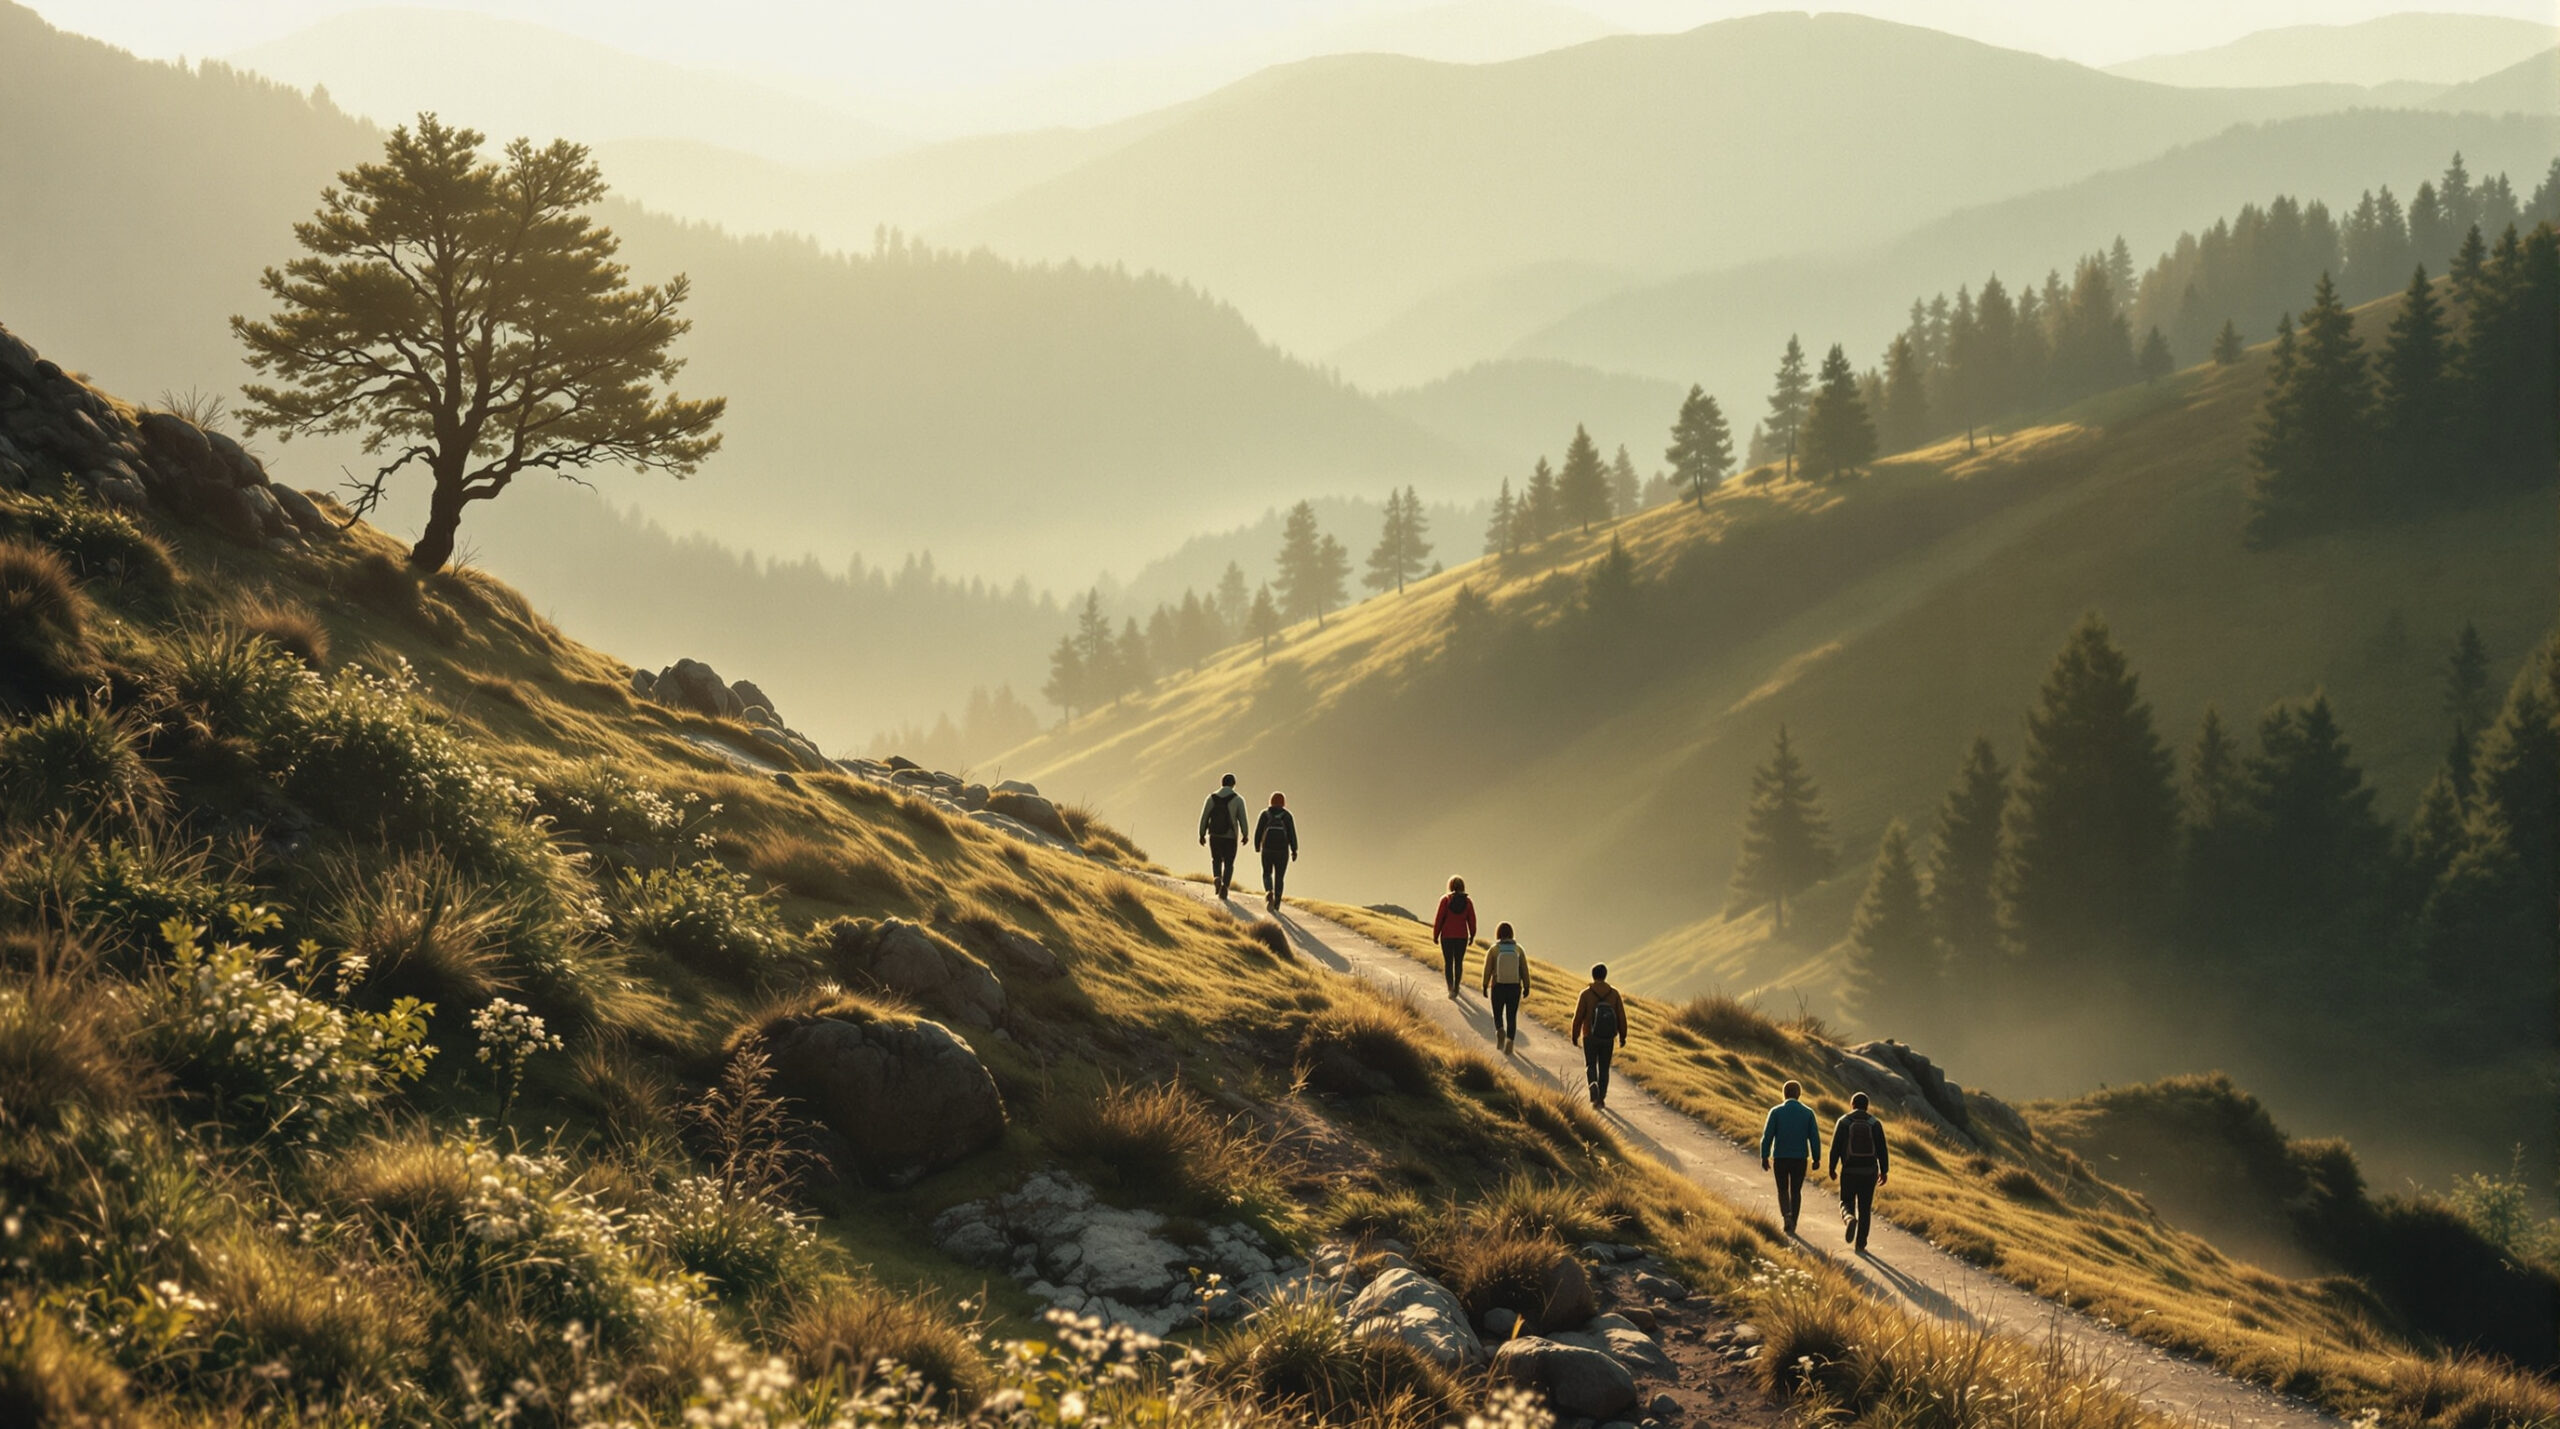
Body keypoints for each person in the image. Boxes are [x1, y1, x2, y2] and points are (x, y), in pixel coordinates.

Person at [1758, 1080, 1822, 1235]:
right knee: (1796, 1191)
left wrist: (1764, 1156)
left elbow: (1767, 1136)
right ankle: (1793, 1222)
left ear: (1784, 1093)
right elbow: (1814, 1138)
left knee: (1782, 1189)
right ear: (1799, 1094)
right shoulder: (1808, 1113)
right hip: (1800, 1159)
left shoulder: (1776, 1111)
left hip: (1780, 1157)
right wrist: (1816, 1158)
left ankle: (1786, 1215)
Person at [1829, 1091, 1890, 1252]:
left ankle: (1849, 1218)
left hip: (1849, 1170)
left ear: (1852, 1105)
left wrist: (1832, 1168)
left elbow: (1835, 1148)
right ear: (1867, 1106)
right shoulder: (1875, 1123)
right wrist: (1884, 1171)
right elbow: (1882, 1149)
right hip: (1869, 1172)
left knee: (1846, 1201)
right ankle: (1861, 1244)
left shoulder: (1843, 1122)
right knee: (1865, 1208)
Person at [1568, 963, 1628, 1109]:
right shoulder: (1614, 994)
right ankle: (1601, 1098)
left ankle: (1593, 1088)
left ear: (1593, 975)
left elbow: (1578, 1017)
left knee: (1590, 1064)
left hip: (1590, 1035)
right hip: (1608, 1037)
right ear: (1605, 975)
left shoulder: (1586, 994)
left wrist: (1575, 1035)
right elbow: (1621, 1017)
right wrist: (1622, 1036)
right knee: (1604, 1068)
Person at [1480, 921, 1530, 1053]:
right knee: (1511, 1016)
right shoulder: (1518, 949)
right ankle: (1510, 1042)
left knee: (1497, 1013)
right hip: (1514, 987)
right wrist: (1527, 986)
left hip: (1498, 986)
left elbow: (1487, 969)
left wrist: (1485, 985)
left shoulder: (1494, 949)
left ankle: (1500, 1030)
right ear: (1511, 933)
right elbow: (1524, 969)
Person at [1197, 773, 1249, 900]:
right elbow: (1242, 818)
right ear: (1233, 784)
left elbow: (1204, 817)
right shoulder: (1238, 799)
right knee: (1229, 863)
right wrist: (1245, 834)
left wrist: (1202, 834)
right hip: (1230, 836)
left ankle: (1217, 878)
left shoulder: (1211, 798)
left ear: (1222, 783)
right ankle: (1225, 886)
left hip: (1214, 835)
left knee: (1216, 859)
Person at [1430, 876, 1477, 998]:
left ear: (1450, 886)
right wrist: (1472, 934)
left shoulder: (1445, 900)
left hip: (1447, 937)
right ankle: (1457, 987)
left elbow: (1439, 919)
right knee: (1459, 962)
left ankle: (1450, 988)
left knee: (1448, 963)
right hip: (1461, 937)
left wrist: (1435, 935)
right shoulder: (1468, 902)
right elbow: (1472, 920)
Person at [1252, 792, 1298, 910]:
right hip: (1282, 851)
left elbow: (1258, 831)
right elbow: (1292, 833)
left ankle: (1268, 891)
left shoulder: (1265, 814)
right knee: (1280, 877)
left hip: (1267, 849)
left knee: (1267, 873)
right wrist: (1294, 850)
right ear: (1283, 802)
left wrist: (1257, 845)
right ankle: (1277, 902)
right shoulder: (1287, 816)